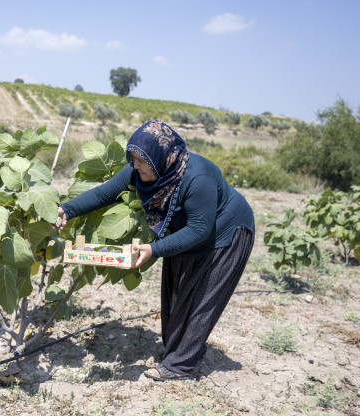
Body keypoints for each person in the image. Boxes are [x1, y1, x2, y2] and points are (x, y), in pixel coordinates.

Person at [56, 120, 254, 381]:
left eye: (142, 160)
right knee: (175, 299)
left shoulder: (197, 177)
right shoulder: (139, 171)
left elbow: (199, 230)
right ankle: (186, 350)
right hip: (186, 231)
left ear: (163, 157)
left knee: (202, 300)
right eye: (133, 158)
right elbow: (105, 193)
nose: (135, 165)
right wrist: (66, 210)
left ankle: (179, 367)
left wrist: (154, 248)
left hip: (225, 233)